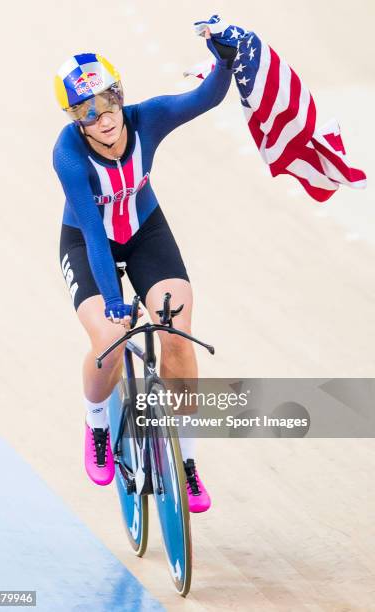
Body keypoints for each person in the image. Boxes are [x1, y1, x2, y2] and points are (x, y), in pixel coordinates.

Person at [53, 30, 236, 513]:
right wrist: (114, 300)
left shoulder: (147, 119)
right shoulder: (69, 155)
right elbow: (94, 233)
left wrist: (225, 61)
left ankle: (188, 463)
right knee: (110, 340)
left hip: (145, 231)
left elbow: (203, 98)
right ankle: (96, 422)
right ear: (77, 121)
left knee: (177, 332)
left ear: (119, 96)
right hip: (88, 242)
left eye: (106, 102)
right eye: (86, 113)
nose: (102, 118)